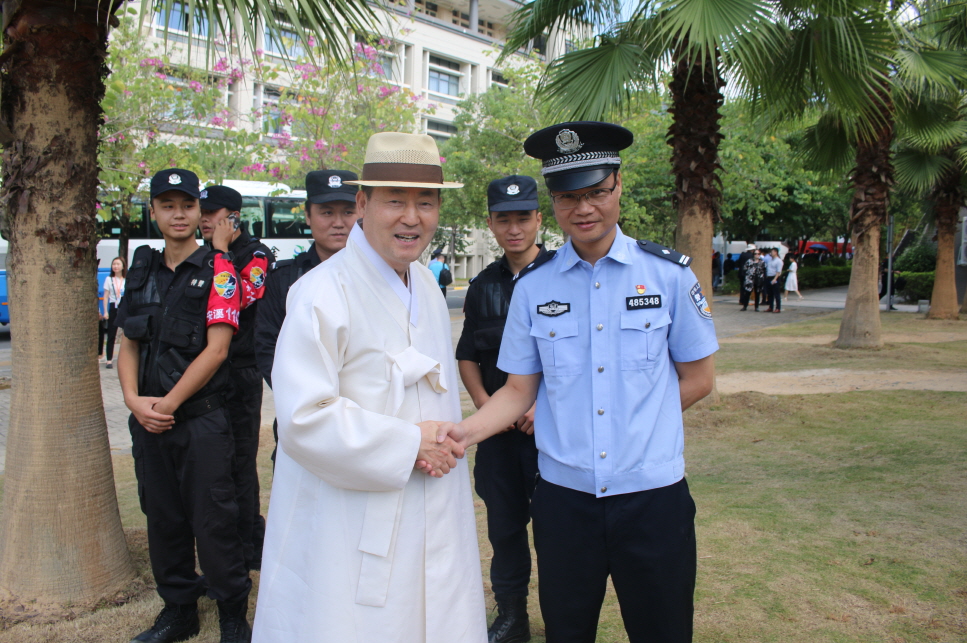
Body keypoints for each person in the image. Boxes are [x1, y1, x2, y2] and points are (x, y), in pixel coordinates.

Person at [435, 121, 718, 643]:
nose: (583, 209)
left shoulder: (668, 276)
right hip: (564, 501)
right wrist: (464, 433)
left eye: (596, 193)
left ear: (618, 186)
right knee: (566, 632)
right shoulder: (534, 289)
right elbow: (518, 391)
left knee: (664, 631)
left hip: (652, 495)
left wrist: (638, 419)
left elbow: (699, 377)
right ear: (554, 203)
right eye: (568, 198)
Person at [252, 133, 487, 643]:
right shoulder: (319, 292)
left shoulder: (424, 283)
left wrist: (438, 445)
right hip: (351, 513)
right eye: (395, 200)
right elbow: (303, 419)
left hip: (433, 493)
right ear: (363, 204)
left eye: (425, 202)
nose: (411, 217)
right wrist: (408, 444)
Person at [117, 169, 252, 643]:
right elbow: (127, 342)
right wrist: (135, 402)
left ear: (200, 213)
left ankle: (233, 611)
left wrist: (167, 404)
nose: (179, 214)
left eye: (187, 205)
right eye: (168, 205)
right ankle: (178, 611)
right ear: (153, 211)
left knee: (214, 519)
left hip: (200, 420)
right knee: (163, 518)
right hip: (148, 421)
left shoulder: (220, 270)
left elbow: (217, 350)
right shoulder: (141, 270)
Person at [455, 174, 552, 643]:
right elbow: (467, 355)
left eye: (522, 218)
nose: (514, 228)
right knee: (505, 529)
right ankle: (512, 617)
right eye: (503, 219)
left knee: (556, 531)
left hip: (551, 436)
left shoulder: (563, 275)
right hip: (498, 437)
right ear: (491, 223)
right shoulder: (482, 286)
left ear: (538, 219)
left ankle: (561, 613)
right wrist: (487, 405)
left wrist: (543, 406)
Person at [254, 169, 360, 458]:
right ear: (308, 216)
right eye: (326, 212)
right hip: (304, 421)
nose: (338, 223)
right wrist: (307, 397)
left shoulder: (381, 277)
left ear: (361, 212)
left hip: (368, 422)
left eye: (348, 211)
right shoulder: (284, 279)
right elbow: (267, 347)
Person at [200, 185, 274, 573]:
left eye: (212, 214)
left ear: (231, 217)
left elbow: (241, 298)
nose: (203, 220)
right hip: (210, 371)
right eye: (203, 212)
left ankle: (251, 543)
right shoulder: (205, 253)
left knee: (242, 463)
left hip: (241, 371)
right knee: (214, 464)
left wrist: (221, 254)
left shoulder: (255, 254)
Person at [100, 256, 126, 368]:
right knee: (111, 333)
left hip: (124, 306)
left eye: (118, 264)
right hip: (113, 306)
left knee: (128, 334)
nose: (115, 266)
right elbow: (105, 296)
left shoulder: (126, 280)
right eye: (114, 264)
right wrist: (105, 311)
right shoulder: (109, 279)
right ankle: (109, 359)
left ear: (123, 266)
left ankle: (126, 359)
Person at [765, 248, 783, 313]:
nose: (771, 253)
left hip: (775, 277)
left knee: (776, 293)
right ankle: (770, 306)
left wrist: (775, 279)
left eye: (772, 252)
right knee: (770, 293)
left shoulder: (779, 261)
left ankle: (778, 308)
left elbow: (778, 271)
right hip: (768, 277)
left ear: (775, 252)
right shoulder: (770, 260)